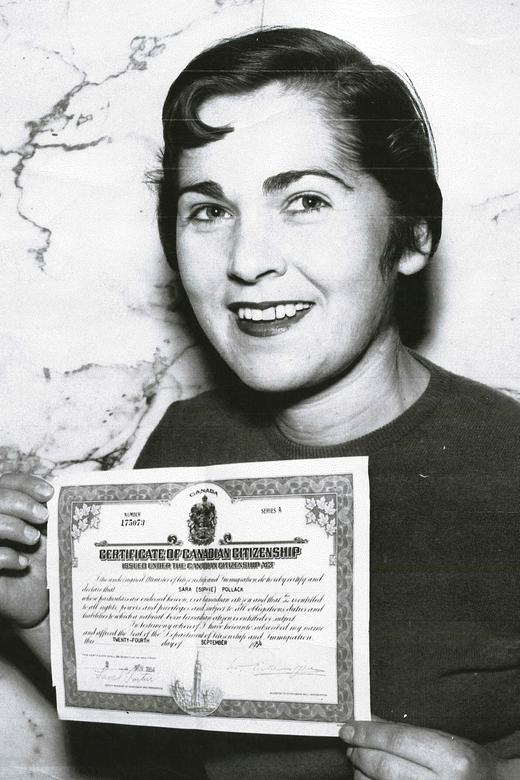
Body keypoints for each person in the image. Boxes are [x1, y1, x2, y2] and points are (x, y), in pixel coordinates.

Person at [1, 27, 519, 780]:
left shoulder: (508, 467)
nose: (248, 262)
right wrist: (44, 614)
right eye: (208, 210)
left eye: (304, 200)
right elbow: (167, 713)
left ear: (411, 233)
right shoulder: (179, 445)